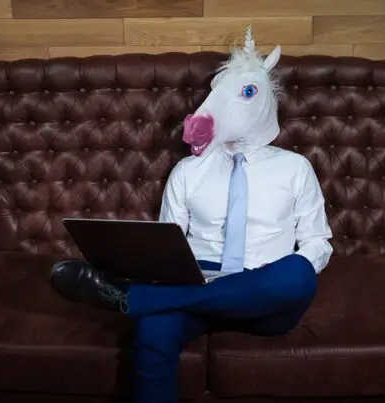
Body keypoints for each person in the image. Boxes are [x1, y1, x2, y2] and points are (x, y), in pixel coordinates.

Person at [48, 28, 333, 403]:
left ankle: (129, 299)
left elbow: (317, 244)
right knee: (152, 331)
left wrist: (277, 275)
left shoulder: (295, 168)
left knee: (297, 275)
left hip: (264, 296)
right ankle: (151, 303)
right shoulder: (187, 171)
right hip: (195, 283)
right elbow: (169, 243)